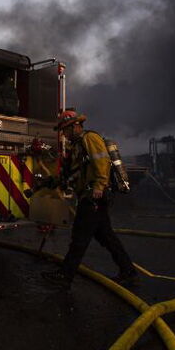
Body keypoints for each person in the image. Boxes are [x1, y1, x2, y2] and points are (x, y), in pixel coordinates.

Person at [42, 110, 138, 288]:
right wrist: (55, 181)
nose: (64, 134)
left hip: (94, 196)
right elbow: (75, 172)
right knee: (107, 237)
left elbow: (102, 162)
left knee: (79, 237)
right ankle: (129, 271)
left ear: (75, 126)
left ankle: (65, 275)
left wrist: (99, 186)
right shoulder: (77, 145)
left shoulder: (90, 138)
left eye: (65, 130)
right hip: (90, 196)